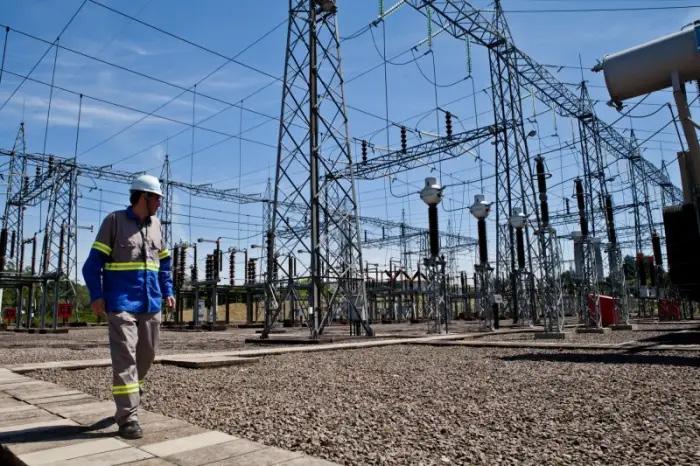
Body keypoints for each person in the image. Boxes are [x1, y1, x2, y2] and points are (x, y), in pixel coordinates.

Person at [82, 174, 175, 439]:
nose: (160, 203)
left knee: (147, 355)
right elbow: (91, 265)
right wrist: (97, 295)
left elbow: (164, 264)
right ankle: (128, 417)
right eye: (157, 198)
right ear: (143, 196)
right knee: (125, 358)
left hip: (151, 302)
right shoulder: (114, 221)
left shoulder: (156, 226)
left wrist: (168, 291)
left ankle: (133, 394)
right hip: (121, 303)